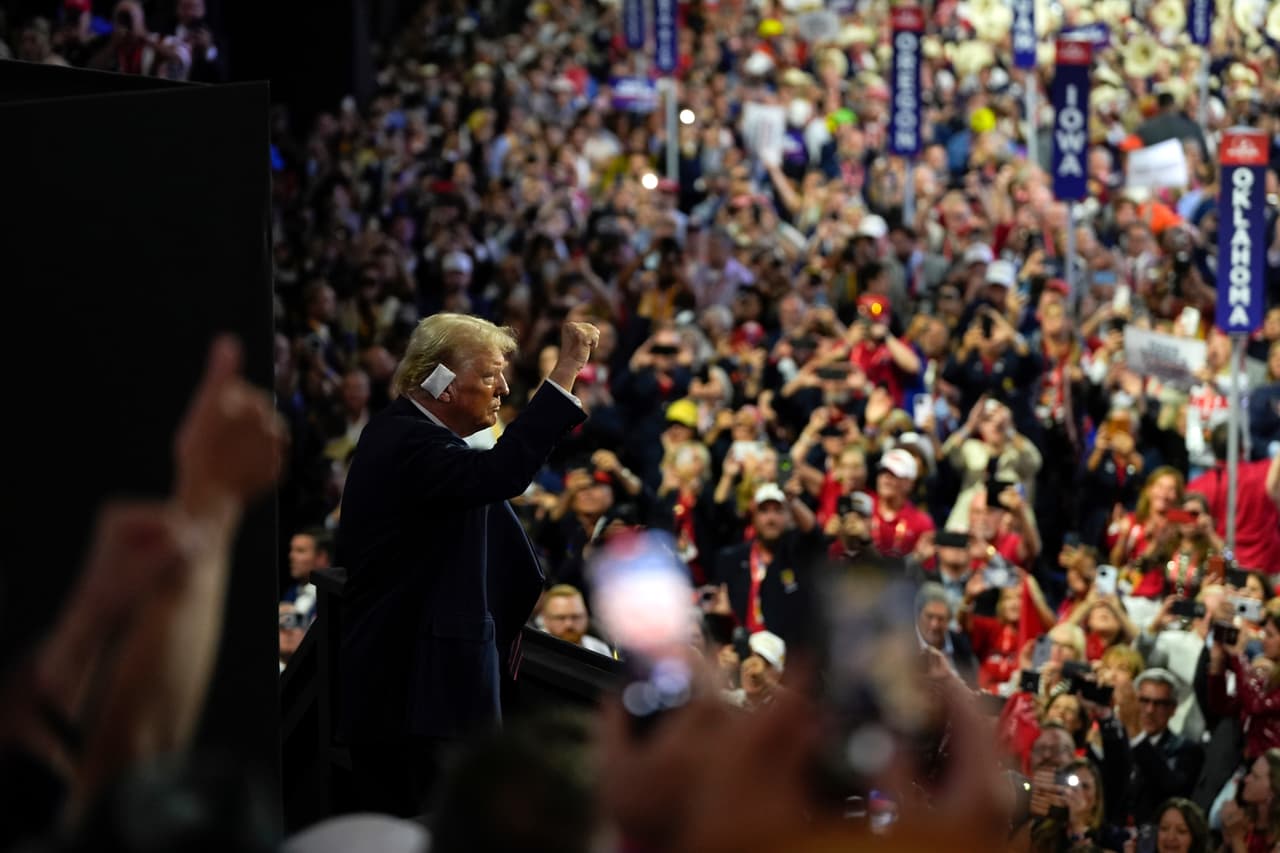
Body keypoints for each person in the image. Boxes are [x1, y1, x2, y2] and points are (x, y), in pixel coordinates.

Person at [336, 314, 599, 818]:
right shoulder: (406, 442)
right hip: (416, 703)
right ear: (439, 383)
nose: (502, 387)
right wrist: (566, 368)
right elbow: (502, 473)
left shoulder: (416, 439)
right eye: (488, 375)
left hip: (426, 698)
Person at [1186, 424, 1280, 575]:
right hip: (1265, 567)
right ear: (1243, 447)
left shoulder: (1197, 486)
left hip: (1224, 570)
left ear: (1213, 449)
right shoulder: (1265, 472)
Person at [1124, 668, 1205, 825]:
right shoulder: (1118, 743)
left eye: (1159, 704)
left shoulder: (1187, 750)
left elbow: (1171, 790)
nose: (1149, 710)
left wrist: (1137, 737)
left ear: (1173, 709)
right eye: (1143, 701)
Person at [538, 584, 612, 656]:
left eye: (575, 617)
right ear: (545, 619)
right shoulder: (534, 647)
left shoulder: (599, 650)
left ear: (586, 616)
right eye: (560, 618)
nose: (569, 624)